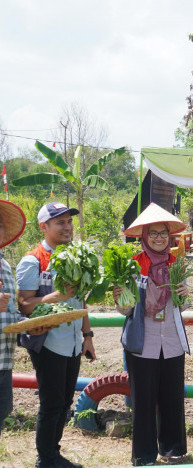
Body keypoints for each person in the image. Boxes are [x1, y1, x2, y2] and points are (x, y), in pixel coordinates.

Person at [17, 202, 95, 468]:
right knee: (52, 402)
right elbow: (23, 305)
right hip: (48, 341)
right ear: (44, 227)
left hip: (73, 342)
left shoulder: (77, 255)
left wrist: (88, 336)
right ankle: (45, 458)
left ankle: (54, 452)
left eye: (69, 222)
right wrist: (50, 297)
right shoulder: (33, 260)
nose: (67, 227)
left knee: (65, 401)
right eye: (60, 222)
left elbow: (81, 301)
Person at [118, 203, 190, 465]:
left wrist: (184, 295)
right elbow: (125, 310)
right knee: (144, 400)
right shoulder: (133, 265)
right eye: (153, 233)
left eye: (163, 233)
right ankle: (144, 455)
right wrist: (121, 297)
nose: (159, 238)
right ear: (144, 236)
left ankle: (173, 449)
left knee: (172, 397)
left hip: (171, 341)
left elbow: (185, 304)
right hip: (143, 342)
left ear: (170, 236)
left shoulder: (177, 263)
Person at [0, 200, 27, 436]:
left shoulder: (5, 264)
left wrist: (26, 326)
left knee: (2, 411)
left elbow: (8, 311)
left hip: (3, 359)